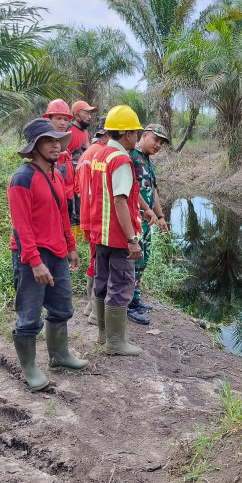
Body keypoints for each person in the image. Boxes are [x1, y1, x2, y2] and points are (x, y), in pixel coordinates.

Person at [8, 118, 87, 392]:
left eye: (58, 140)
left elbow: (63, 214)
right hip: (33, 257)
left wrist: (71, 247)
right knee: (29, 316)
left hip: (57, 253)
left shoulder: (55, 174)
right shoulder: (22, 178)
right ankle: (29, 367)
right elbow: (22, 226)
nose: (56, 145)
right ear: (34, 147)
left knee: (63, 308)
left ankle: (59, 355)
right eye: (48, 141)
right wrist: (35, 261)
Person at [88, 105, 144, 356]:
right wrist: (132, 239)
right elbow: (120, 201)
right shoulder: (121, 160)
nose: (137, 137)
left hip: (100, 233)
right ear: (128, 134)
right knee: (121, 285)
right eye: (136, 132)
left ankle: (103, 335)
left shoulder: (99, 155)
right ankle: (115, 342)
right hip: (119, 237)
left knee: (102, 282)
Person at [127, 124, 170, 325]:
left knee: (143, 259)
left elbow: (153, 191)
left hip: (147, 221)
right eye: (156, 139)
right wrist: (146, 210)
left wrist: (160, 217)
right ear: (144, 136)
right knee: (132, 261)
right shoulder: (131, 157)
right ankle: (126, 304)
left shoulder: (147, 161)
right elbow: (130, 189)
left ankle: (135, 299)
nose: (158, 144)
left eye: (161, 142)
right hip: (133, 220)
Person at [77, 116, 109, 325]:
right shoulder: (103, 155)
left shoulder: (86, 154)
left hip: (87, 216)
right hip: (99, 218)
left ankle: (91, 305)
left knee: (94, 258)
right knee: (101, 262)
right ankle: (97, 311)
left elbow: (78, 188)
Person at [67, 101, 98, 232]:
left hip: (82, 180)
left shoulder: (86, 134)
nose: (90, 116)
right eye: (86, 113)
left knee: (81, 210)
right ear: (77, 115)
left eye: (90, 113)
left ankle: (79, 240)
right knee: (71, 211)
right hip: (68, 181)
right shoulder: (68, 131)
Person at [42, 99, 76, 215]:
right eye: (58, 118)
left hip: (67, 199)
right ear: (49, 120)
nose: (63, 123)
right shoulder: (44, 147)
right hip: (53, 199)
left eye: (66, 119)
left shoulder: (65, 146)